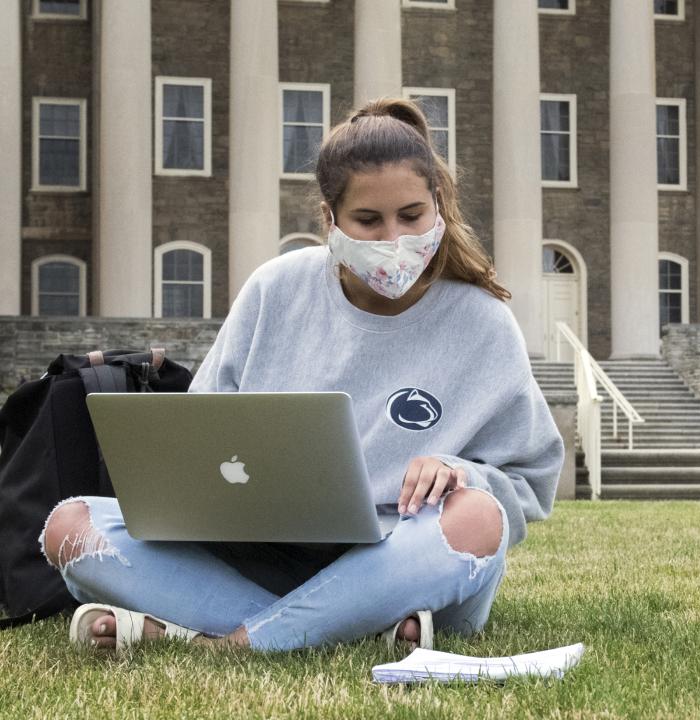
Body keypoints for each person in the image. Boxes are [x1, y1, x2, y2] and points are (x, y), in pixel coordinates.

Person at [39, 98, 564, 652]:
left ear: (438, 204)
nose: (393, 240)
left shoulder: (483, 322)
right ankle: (347, 627)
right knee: (69, 526)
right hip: (257, 552)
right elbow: (195, 439)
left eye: (412, 215)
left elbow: (529, 483)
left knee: (476, 520)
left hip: (402, 560)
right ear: (329, 219)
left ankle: (222, 641)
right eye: (368, 220)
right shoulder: (275, 289)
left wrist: (461, 474)